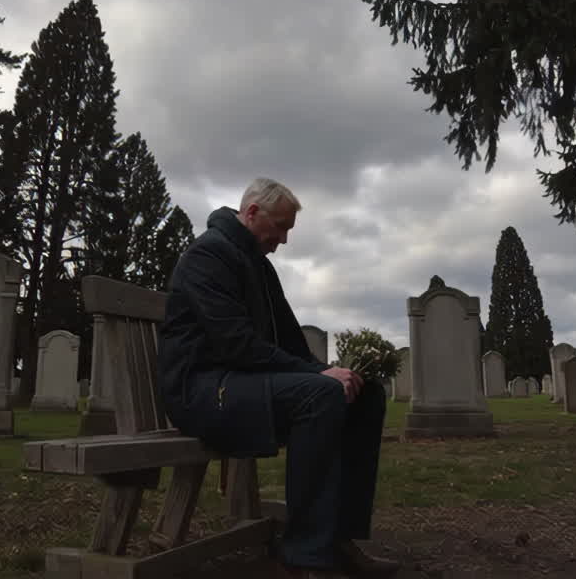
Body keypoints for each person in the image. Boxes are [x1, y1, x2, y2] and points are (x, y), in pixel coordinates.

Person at [158, 178, 400, 579]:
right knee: (320, 396)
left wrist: (329, 371)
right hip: (201, 390)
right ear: (252, 213)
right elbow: (236, 345)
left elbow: (290, 341)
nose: (284, 239)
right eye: (281, 227)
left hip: (240, 384)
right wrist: (319, 379)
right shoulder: (208, 256)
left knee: (365, 394)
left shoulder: (258, 266)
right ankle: (302, 557)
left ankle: (338, 539)